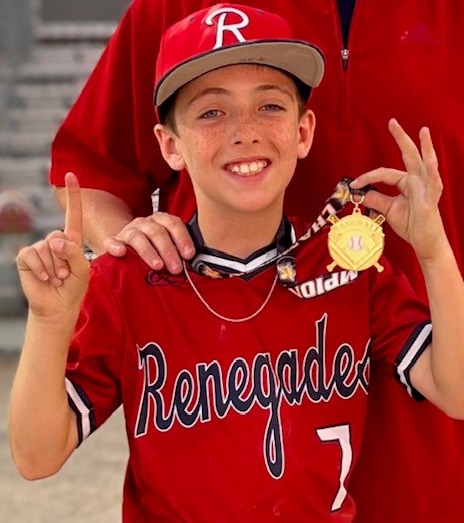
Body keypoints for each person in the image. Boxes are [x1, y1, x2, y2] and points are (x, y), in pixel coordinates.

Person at [9, 4, 464, 521]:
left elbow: (455, 387)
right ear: (169, 145)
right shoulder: (131, 285)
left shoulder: (353, 273)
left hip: (422, 433)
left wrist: (434, 250)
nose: (245, 131)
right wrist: (56, 316)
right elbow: (36, 455)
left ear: (303, 130)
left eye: (269, 106)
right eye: (212, 112)